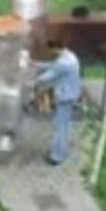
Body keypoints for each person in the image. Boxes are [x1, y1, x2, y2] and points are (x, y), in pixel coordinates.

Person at [31, 36, 82, 166]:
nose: (50, 53)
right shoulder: (70, 56)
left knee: (60, 127)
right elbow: (53, 66)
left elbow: (49, 75)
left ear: (54, 48)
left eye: (51, 50)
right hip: (72, 94)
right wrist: (35, 63)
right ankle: (61, 150)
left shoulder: (63, 63)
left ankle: (56, 156)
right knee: (64, 125)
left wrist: (34, 81)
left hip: (65, 96)